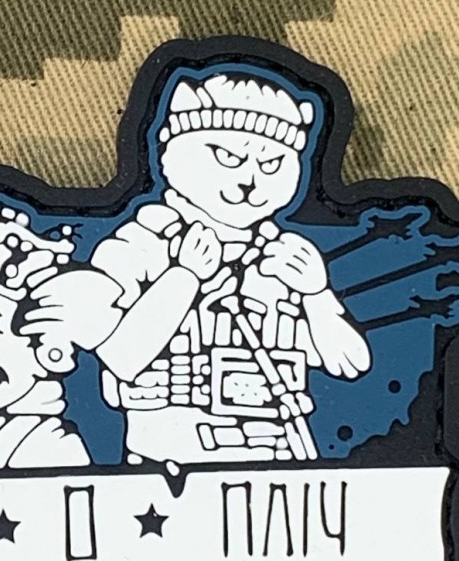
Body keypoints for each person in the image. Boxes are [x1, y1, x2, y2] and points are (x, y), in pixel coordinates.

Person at [35, 70, 371, 465]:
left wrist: (317, 295)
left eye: (271, 164)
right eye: (229, 157)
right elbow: (122, 358)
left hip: (275, 458)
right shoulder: (142, 245)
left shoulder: (286, 258)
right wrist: (184, 277)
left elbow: (351, 365)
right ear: (170, 148)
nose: (250, 180)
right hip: (168, 464)